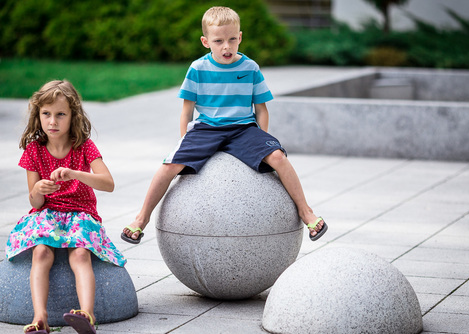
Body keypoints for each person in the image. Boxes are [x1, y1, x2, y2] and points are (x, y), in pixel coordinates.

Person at [121, 6, 327, 244]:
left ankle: (306, 212)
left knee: (279, 157)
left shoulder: (250, 68)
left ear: (240, 37)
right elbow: (186, 110)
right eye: (218, 41)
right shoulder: (198, 69)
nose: (226, 47)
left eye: (232, 39)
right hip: (206, 129)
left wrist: (262, 140)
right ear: (205, 41)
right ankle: (141, 219)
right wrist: (183, 140)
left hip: (244, 129)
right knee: (168, 166)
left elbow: (261, 109)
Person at [5, 80, 126, 334]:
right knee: (41, 253)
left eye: (61, 114)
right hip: (47, 214)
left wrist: (75, 173)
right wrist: (37, 190)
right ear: (38, 116)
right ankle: (40, 317)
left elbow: (108, 183)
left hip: (81, 214)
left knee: (80, 254)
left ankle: (87, 315)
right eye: (46, 114)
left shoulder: (84, 147)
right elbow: (34, 202)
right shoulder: (34, 151)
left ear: (73, 116)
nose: (53, 121)